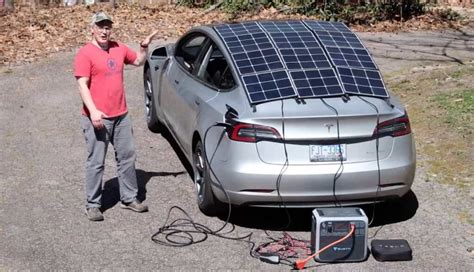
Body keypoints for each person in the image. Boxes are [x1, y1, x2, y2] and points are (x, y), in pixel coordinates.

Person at [74, 11, 158, 221]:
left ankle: (129, 198)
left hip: (121, 116)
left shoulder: (118, 47)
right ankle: (92, 204)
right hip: (98, 117)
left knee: (127, 157)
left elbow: (138, 61)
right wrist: (93, 110)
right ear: (92, 29)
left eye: (107, 26)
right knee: (96, 161)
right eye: (100, 26)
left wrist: (143, 47)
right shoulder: (85, 54)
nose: (104, 30)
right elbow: (82, 84)